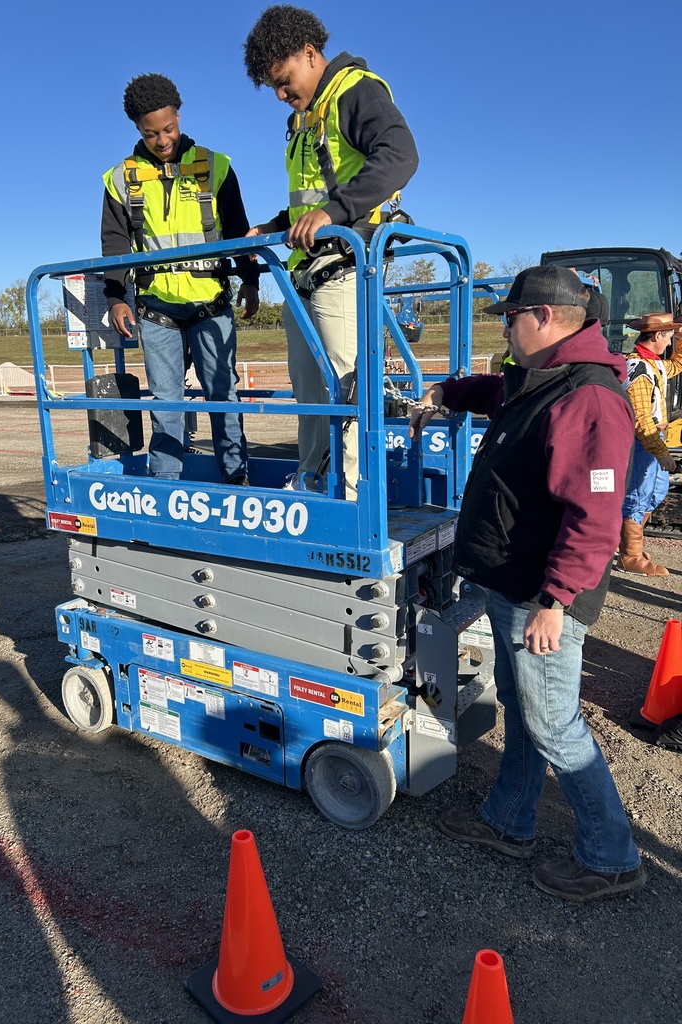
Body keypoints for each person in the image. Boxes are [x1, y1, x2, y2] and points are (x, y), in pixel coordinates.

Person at [409, 265, 645, 902]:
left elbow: (594, 517)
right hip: (514, 586)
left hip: (542, 597)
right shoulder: (543, 380)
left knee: (555, 726)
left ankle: (612, 856)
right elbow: (499, 393)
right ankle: (507, 821)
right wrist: (446, 393)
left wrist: (556, 602)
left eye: (510, 317)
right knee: (525, 712)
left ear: (543, 317)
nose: (504, 328)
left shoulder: (589, 398)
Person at [243, 5, 418, 498]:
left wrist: (335, 212)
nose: (281, 95)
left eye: (284, 80)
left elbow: (401, 156)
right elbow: (311, 201)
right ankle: (312, 483)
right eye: (273, 87)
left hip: (345, 268)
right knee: (312, 396)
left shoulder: (355, 91)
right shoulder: (304, 119)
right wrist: (276, 226)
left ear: (310, 53)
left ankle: (351, 497)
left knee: (345, 390)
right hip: (304, 275)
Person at [101, 73, 259, 482]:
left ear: (179, 116)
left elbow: (238, 230)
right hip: (157, 312)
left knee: (223, 395)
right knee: (166, 403)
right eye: (151, 133)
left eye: (168, 128)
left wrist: (251, 280)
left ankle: (235, 476)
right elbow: (115, 242)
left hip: (212, 303)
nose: (162, 139)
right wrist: (116, 296)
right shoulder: (120, 179)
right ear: (137, 128)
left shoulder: (215, 166)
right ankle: (165, 483)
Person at [616, 312, 682, 576]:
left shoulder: (652, 364)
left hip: (652, 439)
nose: (668, 344)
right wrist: (661, 451)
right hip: (644, 441)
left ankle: (629, 546)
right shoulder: (640, 370)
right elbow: (642, 419)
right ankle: (629, 555)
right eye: (667, 337)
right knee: (637, 495)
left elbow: (677, 364)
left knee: (654, 492)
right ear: (656, 336)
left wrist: (679, 333)